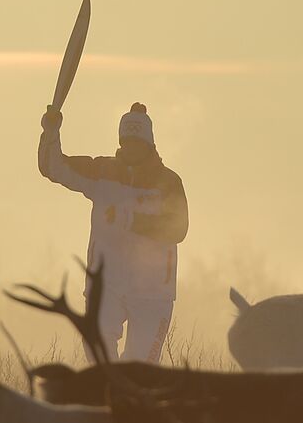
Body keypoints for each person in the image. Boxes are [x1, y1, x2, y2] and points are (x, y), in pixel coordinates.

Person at [38, 102, 189, 363]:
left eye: (137, 142)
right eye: (126, 141)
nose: (130, 148)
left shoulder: (168, 182)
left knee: (141, 368)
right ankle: (104, 403)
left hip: (153, 292)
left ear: (149, 144)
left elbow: (178, 228)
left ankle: (135, 405)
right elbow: (53, 168)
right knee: (99, 358)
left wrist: (131, 220)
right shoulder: (101, 172)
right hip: (106, 284)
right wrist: (50, 132)